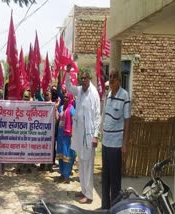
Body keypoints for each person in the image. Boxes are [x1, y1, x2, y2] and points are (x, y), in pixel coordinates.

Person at [65, 64, 101, 204]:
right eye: (81, 78)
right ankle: (83, 189)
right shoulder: (79, 90)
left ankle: (89, 195)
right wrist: (68, 72)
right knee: (81, 164)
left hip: (89, 136)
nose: (83, 81)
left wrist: (96, 135)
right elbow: (68, 87)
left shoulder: (94, 94)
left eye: (85, 78)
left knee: (88, 165)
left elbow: (98, 116)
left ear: (90, 79)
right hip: (79, 135)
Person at [101, 70, 131, 209]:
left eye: (114, 77)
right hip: (105, 142)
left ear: (119, 80)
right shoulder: (108, 95)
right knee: (105, 178)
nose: (111, 79)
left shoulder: (124, 95)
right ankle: (105, 208)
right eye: (110, 77)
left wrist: (124, 143)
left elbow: (127, 120)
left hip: (116, 143)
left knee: (115, 180)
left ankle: (115, 209)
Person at [56, 92, 76, 183]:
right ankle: (62, 174)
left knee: (67, 154)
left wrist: (72, 135)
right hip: (60, 134)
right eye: (64, 97)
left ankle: (67, 176)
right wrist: (55, 108)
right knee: (60, 154)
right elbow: (58, 118)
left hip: (67, 135)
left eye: (67, 97)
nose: (65, 98)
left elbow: (74, 124)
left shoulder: (72, 109)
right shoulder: (61, 107)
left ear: (71, 98)